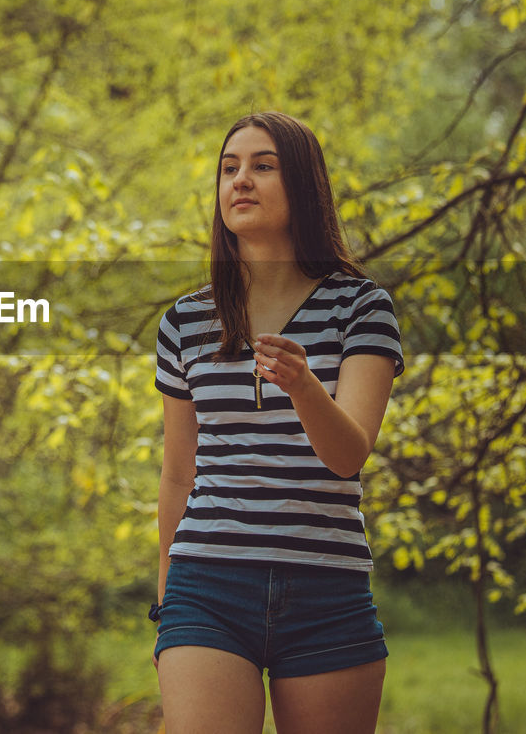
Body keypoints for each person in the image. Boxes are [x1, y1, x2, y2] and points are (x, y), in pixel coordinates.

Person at [151, 112, 404, 734]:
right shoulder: (184, 321)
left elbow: (349, 454)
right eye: (229, 168)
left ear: (304, 185)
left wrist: (304, 387)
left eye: (263, 166)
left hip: (327, 589)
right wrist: (167, 601)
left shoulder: (361, 306)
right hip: (206, 582)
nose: (241, 180)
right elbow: (179, 472)